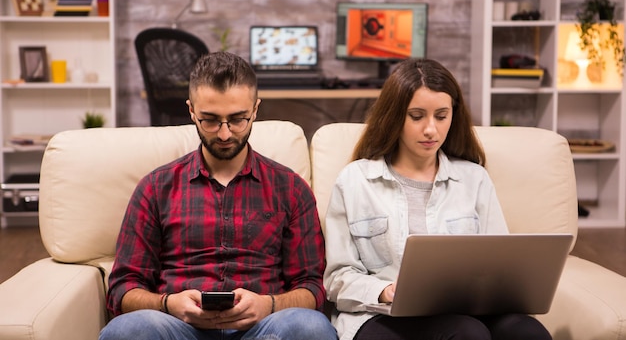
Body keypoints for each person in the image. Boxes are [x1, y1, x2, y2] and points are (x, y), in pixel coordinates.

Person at [100, 52, 337, 340]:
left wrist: (269, 305)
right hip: (179, 329)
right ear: (191, 111)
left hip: (263, 330)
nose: (225, 134)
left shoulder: (291, 189)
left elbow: (312, 287)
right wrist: (168, 304)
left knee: (311, 328)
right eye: (210, 121)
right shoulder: (155, 188)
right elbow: (123, 288)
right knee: (128, 330)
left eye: (238, 120)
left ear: (256, 109)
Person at [323, 58, 552, 340]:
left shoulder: (474, 178)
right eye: (416, 116)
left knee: (528, 332)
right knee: (468, 334)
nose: (431, 129)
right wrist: (384, 290)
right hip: (381, 315)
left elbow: (499, 267)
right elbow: (336, 278)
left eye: (441, 116)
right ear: (395, 116)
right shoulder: (355, 180)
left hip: (465, 311)